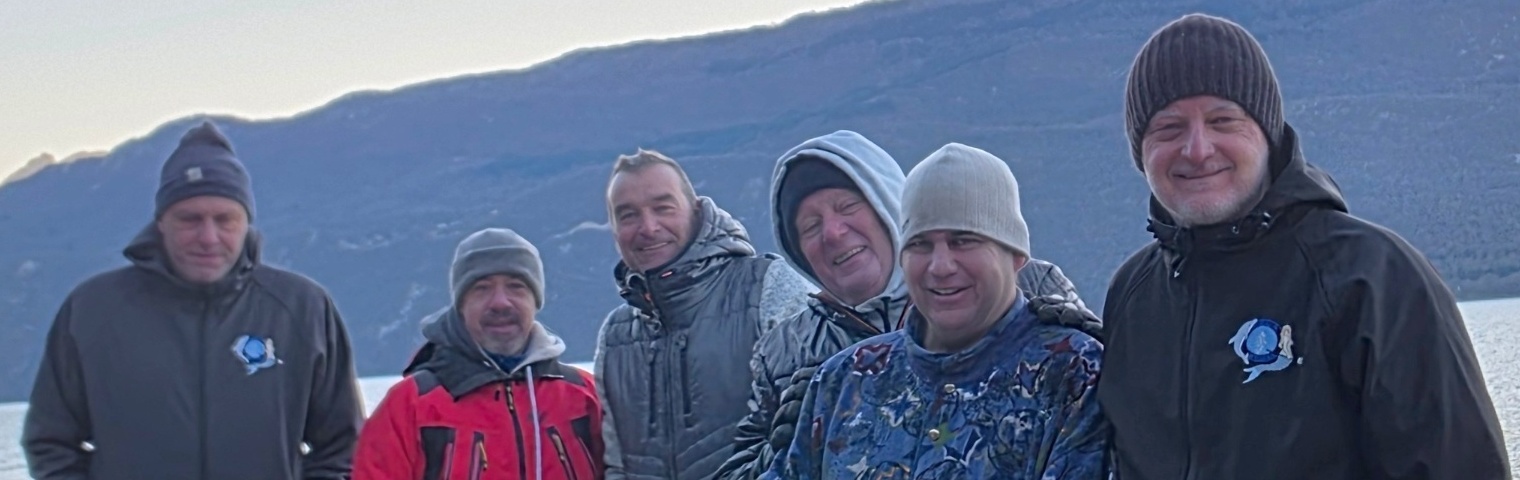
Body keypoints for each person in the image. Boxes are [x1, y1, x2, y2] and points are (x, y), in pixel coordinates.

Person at [1098, 13, 1510, 479]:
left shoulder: (1374, 279)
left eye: (1222, 120)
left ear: (1266, 133)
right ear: (1140, 152)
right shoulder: (1132, 296)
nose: (1197, 149)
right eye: (1169, 128)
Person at [714, 130, 1096, 479]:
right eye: (920, 244)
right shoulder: (837, 379)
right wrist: (780, 445)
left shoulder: (1069, 370)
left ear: (1016, 256)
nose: (941, 266)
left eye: (964, 240)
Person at [21, 120, 364, 480]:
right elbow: (50, 441)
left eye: (225, 219)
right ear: (161, 223)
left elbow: (345, 446)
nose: (208, 237)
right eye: (190, 219)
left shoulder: (302, 309)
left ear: (246, 223)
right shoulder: (93, 311)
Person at [593, 149, 815, 479]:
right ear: (614, 231)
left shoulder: (766, 288)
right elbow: (617, 466)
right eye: (628, 215)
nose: (648, 227)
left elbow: (815, 427)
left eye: (663, 208)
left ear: (696, 212)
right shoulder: (616, 336)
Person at [354, 228, 603, 480]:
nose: (500, 302)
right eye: (482, 289)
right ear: (461, 305)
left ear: (535, 300)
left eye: (516, 287)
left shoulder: (586, 396)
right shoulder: (410, 406)